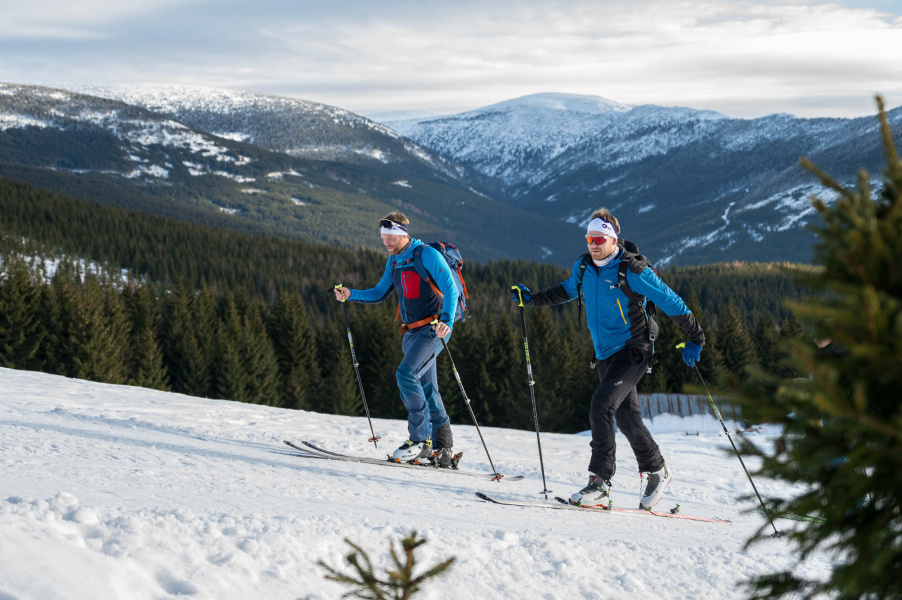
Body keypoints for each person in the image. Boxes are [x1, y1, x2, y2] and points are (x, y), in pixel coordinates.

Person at [512, 208, 706, 510]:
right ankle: (657, 470)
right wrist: (533, 299)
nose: (593, 244)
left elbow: (670, 300)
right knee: (627, 418)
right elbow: (566, 290)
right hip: (605, 354)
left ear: (613, 240)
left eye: (599, 238)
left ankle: (600, 483)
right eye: (590, 238)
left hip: (635, 347)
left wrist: (696, 338)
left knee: (601, 404)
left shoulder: (632, 271)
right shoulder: (584, 266)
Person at [334, 213, 459, 467]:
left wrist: (447, 319)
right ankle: (443, 448)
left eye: (391, 237)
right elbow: (380, 292)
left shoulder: (425, 255)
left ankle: (419, 441)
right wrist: (351, 294)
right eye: (383, 238)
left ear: (403, 234)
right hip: (411, 332)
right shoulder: (394, 262)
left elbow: (450, 288)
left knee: (405, 374)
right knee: (427, 388)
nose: (386, 243)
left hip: (434, 330)